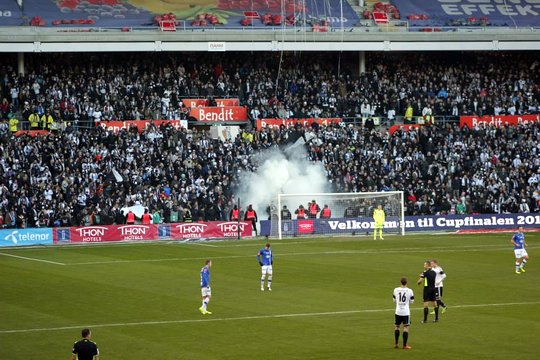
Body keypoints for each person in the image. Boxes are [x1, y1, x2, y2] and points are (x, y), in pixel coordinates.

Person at [393, 277, 414, 350]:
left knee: (397, 326)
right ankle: (405, 345)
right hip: (406, 312)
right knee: (406, 327)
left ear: (400, 282)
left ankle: (396, 344)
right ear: (406, 283)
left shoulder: (395, 290)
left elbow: (394, 300)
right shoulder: (410, 291)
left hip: (398, 311)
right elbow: (412, 301)